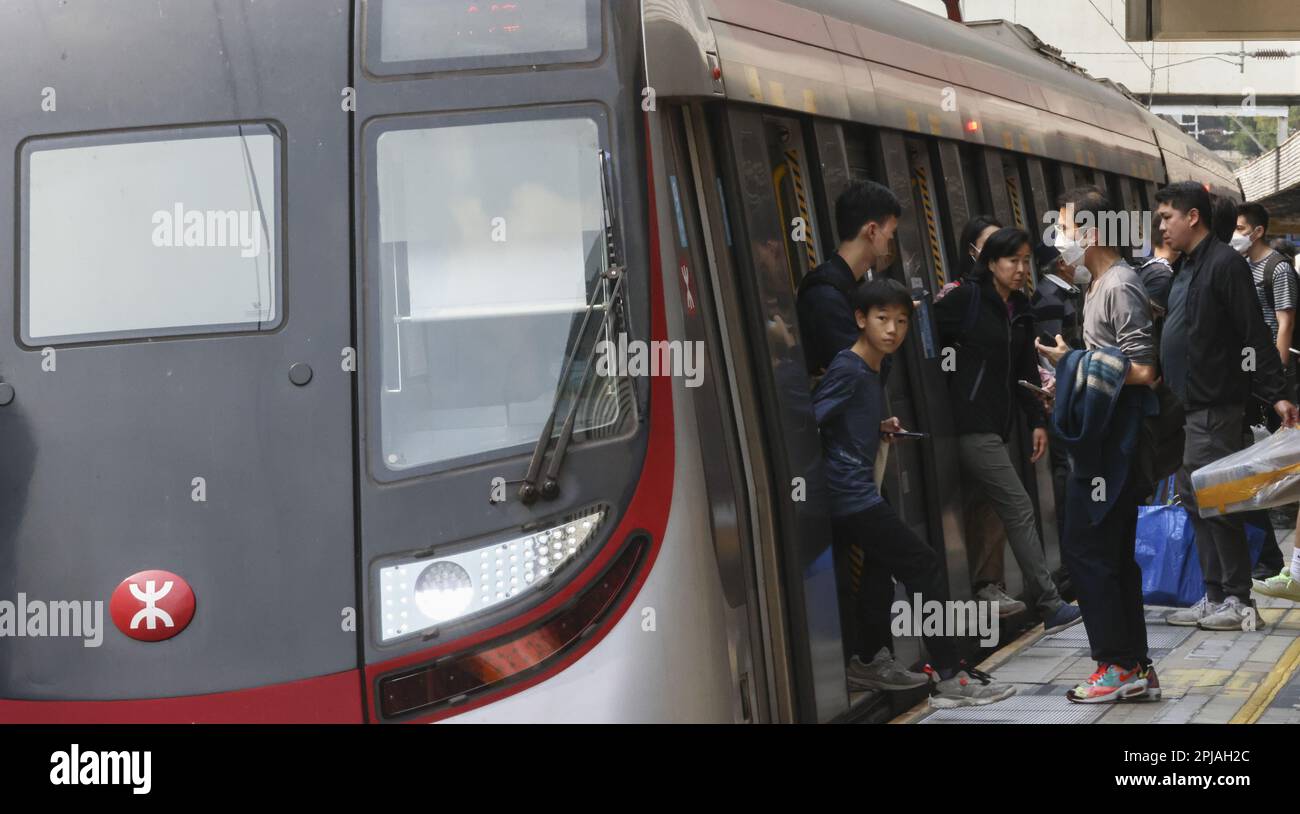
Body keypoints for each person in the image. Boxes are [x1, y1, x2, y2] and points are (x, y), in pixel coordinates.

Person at [815, 277, 1016, 706]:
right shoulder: (849, 369)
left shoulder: (873, 367)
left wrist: (877, 428)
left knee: (877, 574)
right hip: (850, 496)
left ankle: (869, 659)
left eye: (902, 321)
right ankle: (949, 674)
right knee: (922, 564)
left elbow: (841, 423)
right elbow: (812, 422)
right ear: (860, 319)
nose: (892, 330)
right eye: (882, 319)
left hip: (863, 491)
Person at [1036, 185, 1162, 703]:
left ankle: (1115, 664)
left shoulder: (1119, 285)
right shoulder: (1098, 286)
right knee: (1107, 554)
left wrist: (1072, 364)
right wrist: (1065, 376)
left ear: (1089, 233)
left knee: (1089, 553)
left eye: (1064, 228)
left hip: (1114, 448)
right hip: (1104, 441)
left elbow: (1146, 371)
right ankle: (1134, 665)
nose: (1059, 238)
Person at [1156, 181, 1298, 631]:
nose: (1162, 227)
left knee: (1218, 500)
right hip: (1189, 407)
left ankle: (1237, 599)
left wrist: (1276, 393)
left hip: (1216, 406)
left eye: (1166, 217)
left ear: (1192, 217)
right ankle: (1213, 592)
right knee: (1196, 499)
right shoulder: (1188, 266)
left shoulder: (1224, 265)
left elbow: (1253, 333)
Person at [934, 227, 1083, 633]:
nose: (1020, 270)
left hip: (999, 426)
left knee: (989, 505)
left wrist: (1037, 421)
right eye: (1011, 261)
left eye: (1024, 261)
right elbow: (930, 342)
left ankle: (986, 589)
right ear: (989, 262)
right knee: (1018, 506)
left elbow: (1022, 371)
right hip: (969, 425)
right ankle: (1050, 604)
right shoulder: (964, 300)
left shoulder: (1020, 310)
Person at [1233, 202, 1294, 581]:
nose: (1235, 234)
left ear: (1256, 232)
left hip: (1273, 375)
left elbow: (1285, 322)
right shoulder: (1241, 266)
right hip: (1252, 372)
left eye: (1240, 228)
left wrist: (1278, 376)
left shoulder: (1278, 267)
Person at [797, 180, 900, 376]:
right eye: (890, 234)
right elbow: (866, 374)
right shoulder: (826, 295)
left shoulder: (849, 288)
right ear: (871, 231)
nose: (891, 241)